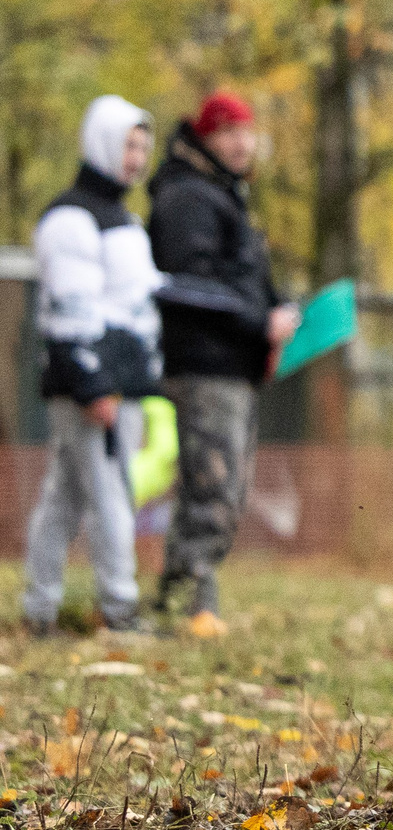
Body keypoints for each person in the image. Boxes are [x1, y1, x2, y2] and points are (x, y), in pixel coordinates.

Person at [147, 91, 295, 632]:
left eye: (246, 131)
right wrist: (259, 325)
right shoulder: (188, 198)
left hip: (231, 365)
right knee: (212, 487)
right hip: (202, 367)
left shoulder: (224, 197)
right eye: (228, 132)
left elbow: (241, 280)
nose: (241, 142)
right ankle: (191, 599)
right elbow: (191, 285)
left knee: (221, 489)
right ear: (205, 138)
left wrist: (273, 327)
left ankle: (183, 593)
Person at [22, 96, 162, 636]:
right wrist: (93, 384)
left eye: (143, 147)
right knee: (109, 497)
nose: (136, 158)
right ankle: (120, 608)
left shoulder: (123, 219)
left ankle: (40, 607)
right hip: (90, 389)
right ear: (102, 141)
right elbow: (69, 310)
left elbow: (135, 301)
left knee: (66, 497)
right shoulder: (70, 219)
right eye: (128, 144)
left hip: (119, 385)